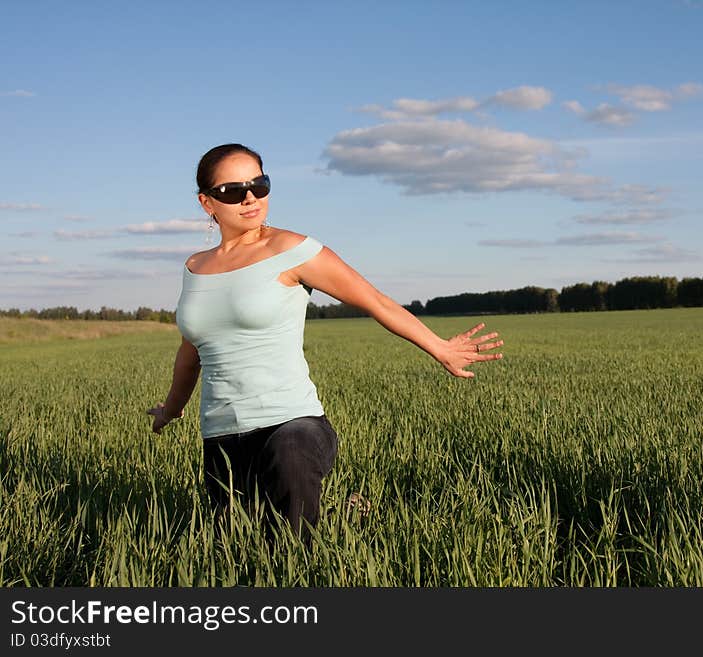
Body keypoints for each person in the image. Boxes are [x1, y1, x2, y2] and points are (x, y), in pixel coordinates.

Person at [146, 143, 504, 546]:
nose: (250, 197)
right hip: (222, 434)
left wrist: (440, 347)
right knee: (241, 547)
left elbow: (374, 300)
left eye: (259, 185)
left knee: (292, 542)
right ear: (207, 202)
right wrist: (171, 410)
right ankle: (347, 517)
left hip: (292, 424)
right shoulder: (195, 268)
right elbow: (191, 351)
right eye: (233, 190)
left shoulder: (291, 250)